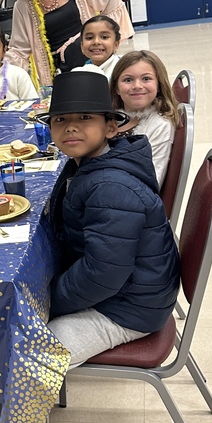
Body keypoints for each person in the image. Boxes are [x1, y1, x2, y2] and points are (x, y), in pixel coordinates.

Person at [43, 72, 180, 369]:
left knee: (30, 358)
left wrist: (47, 303)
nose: (71, 128)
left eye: (84, 117)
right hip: (128, 289)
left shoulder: (110, 187)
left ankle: (16, 413)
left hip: (129, 308)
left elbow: (101, 275)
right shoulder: (94, 163)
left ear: (110, 127)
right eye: (60, 120)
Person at [4, 0, 133, 88]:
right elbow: (19, 49)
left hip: (93, 61)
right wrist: (0, 74)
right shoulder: (22, 6)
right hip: (62, 72)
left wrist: (104, 35)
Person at [110, 50, 179, 188]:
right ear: (116, 88)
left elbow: (153, 180)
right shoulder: (111, 118)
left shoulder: (160, 126)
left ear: (159, 85)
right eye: (128, 80)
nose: (137, 86)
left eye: (146, 79)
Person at [71, 15, 122, 80]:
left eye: (104, 37)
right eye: (89, 38)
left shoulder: (125, 70)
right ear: (82, 46)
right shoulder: (80, 72)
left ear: (116, 44)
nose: (96, 42)